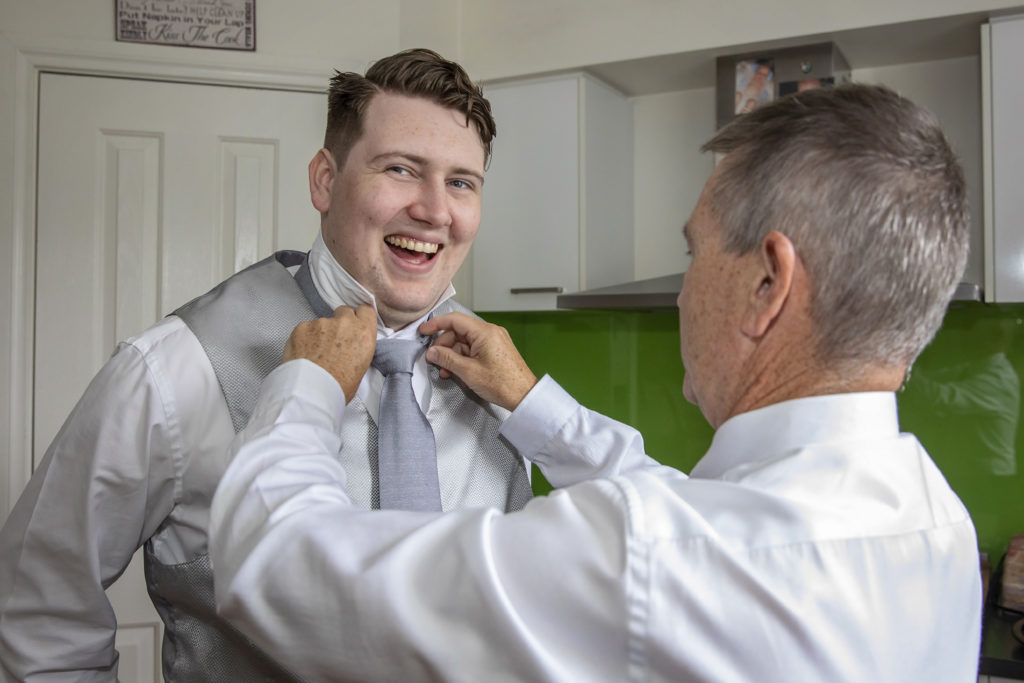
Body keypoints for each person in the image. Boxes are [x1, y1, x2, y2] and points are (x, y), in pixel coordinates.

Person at [209, 83, 983, 682]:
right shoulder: (935, 518)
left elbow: (277, 566)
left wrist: (308, 386)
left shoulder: (653, 555)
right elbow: (696, 518)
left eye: (694, 255)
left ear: (767, 285)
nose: (682, 292)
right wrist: (531, 402)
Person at [0, 48, 531, 682]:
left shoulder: (505, 385)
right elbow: (38, 609)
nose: (435, 210)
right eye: (401, 169)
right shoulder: (173, 369)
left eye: (461, 182)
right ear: (325, 180)